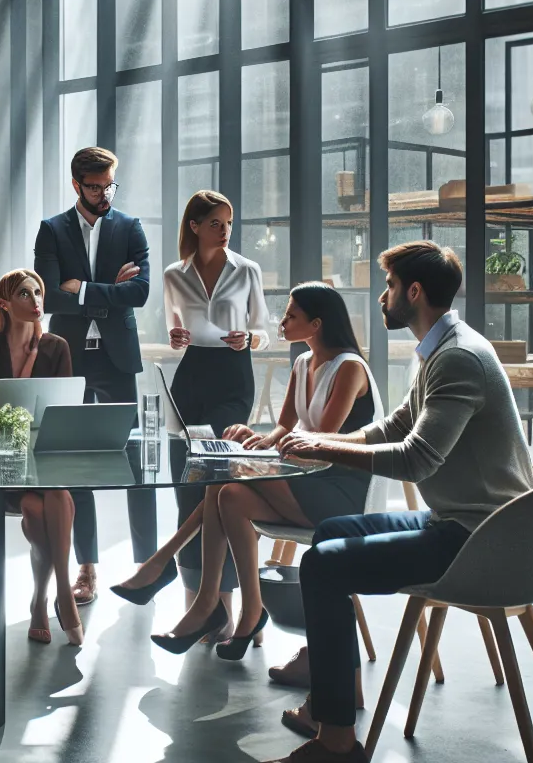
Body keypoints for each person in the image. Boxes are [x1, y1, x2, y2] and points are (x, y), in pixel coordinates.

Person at [251, 242, 533, 763]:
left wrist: (323, 449)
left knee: (325, 566)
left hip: (481, 538)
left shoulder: (457, 359)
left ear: (414, 292)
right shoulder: (438, 348)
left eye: (388, 287)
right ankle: (336, 695)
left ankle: (336, 745)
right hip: (455, 521)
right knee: (330, 535)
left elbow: (415, 457)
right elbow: (393, 425)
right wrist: (321, 439)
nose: (382, 298)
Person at [141, 282, 385, 662]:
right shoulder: (303, 363)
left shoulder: (350, 369)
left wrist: (261, 456)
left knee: (225, 478)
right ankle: (247, 612)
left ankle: (182, 580)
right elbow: (284, 429)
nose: (282, 322)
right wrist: (252, 438)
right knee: (230, 494)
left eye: (291, 315)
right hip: (306, 479)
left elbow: (323, 443)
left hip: (339, 491)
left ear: (317, 324)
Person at [120, 190, 271, 634]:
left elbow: (264, 328)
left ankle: (219, 602)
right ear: (194, 226)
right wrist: (178, 337)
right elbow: (172, 329)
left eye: (228, 223)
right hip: (190, 378)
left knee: (217, 482)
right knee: (187, 484)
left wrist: (250, 338)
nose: (224, 231)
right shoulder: (173, 275)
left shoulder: (247, 269)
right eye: (215, 224)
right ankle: (198, 604)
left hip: (233, 377)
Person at [34, 146, 153, 605]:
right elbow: (48, 300)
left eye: (109, 186)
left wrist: (81, 288)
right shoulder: (52, 231)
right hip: (69, 358)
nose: (104, 194)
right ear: (76, 184)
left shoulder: (130, 227)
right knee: (76, 462)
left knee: (137, 457)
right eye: (95, 186)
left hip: (118, 358)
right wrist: (111, 291)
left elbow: (139, 293)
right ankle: (87, 567)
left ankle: (147, 563)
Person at [0, 269, 82, 645]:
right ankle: (60, 595)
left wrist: (37, 353)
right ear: (5, 304)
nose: (35, 301)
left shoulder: (58, 346)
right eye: (24, 294)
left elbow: (64, 412)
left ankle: (47, 598)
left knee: (48, 502)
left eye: (39, 292)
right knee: (44, 504)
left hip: (46, 459)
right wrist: (30, 359)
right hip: (4, 463)